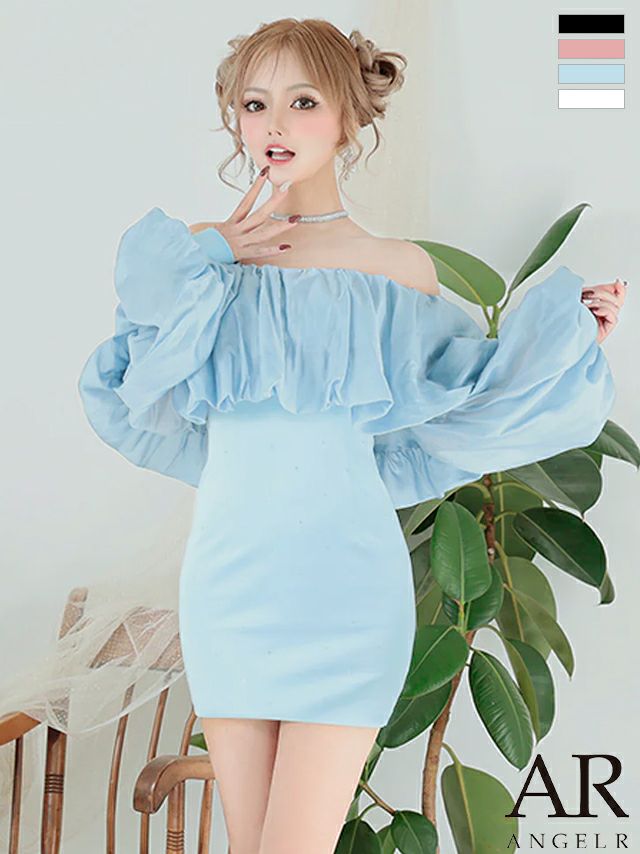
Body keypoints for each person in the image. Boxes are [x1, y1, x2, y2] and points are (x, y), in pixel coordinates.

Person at [76, 17, 624, 854]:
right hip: (229, 589)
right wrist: (214, 252)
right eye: (255, 104)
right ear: (233, 118)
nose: (275, 123)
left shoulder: (395, 269)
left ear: (347, 117)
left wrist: (568, 335)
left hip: (346, 591)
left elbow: (465, 398)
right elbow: (128, 384)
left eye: (302, 102)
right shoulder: (198, 267)